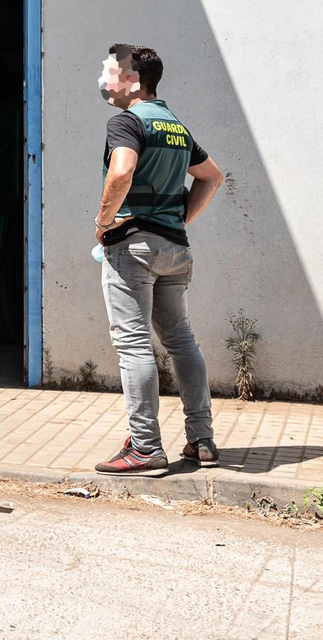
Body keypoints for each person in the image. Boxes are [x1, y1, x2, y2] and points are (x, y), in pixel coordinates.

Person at [92, 44, 224, 475]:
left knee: (133, 344)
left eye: (109, 71)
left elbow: (123, 170)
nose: (103, 79)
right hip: (174, 248)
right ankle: (201, 439)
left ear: (131, 79)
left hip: (134, 248)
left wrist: (104, 220)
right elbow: (212, 177)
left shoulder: (126, 122)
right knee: (181, 341)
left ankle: (146, 448)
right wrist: (180, 217)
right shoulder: (175, 126)